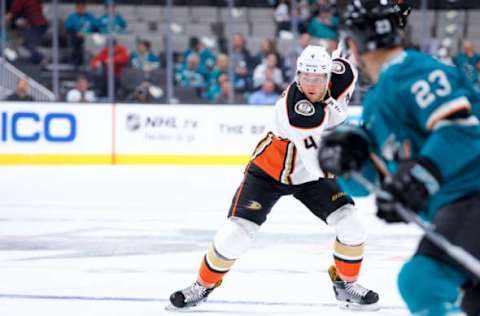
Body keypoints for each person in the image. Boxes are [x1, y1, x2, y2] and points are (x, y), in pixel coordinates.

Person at [167, 45, 379, 311]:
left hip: (308, 176)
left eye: (317, 78)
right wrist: (356, 172)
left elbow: (351, 55)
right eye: (305, 77)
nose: (310, 84)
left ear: (328, 76)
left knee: (351, 225)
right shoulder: (296, 109)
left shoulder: (343, 74)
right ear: (297, 75)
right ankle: (202, 285)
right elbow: (316, 164)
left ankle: (346, 285)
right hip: (269, 172)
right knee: (237, 234)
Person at [318, 1, 480, 315]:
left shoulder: (414, 70)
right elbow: (372, 183)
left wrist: (418, 178)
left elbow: (462, 131)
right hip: (457, 204)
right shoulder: (380, 98)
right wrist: (349, 158)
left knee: (422, 282)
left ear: (352, 43)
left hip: (472, 196)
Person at [6, 0, 48, 64]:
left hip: (37, 25)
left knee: (28, 44)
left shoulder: (19, 2)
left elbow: (12, 13)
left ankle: (42, 59)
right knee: (28, 44)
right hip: (40, 24)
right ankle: (38, 60)